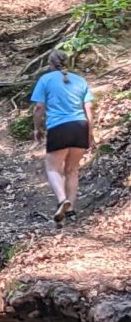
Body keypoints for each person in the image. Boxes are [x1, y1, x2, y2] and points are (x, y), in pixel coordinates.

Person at [30, 50, 95, 222]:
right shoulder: (80, 80)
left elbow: (38, 108)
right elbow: (88, 110)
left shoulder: (45, 80)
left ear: (50, 64)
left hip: (59, 127)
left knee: (52, 168)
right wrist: (90, 134)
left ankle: (62, 199)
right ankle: (71, 209)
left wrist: (37, 129)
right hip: (80, 127)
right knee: (72, 170)